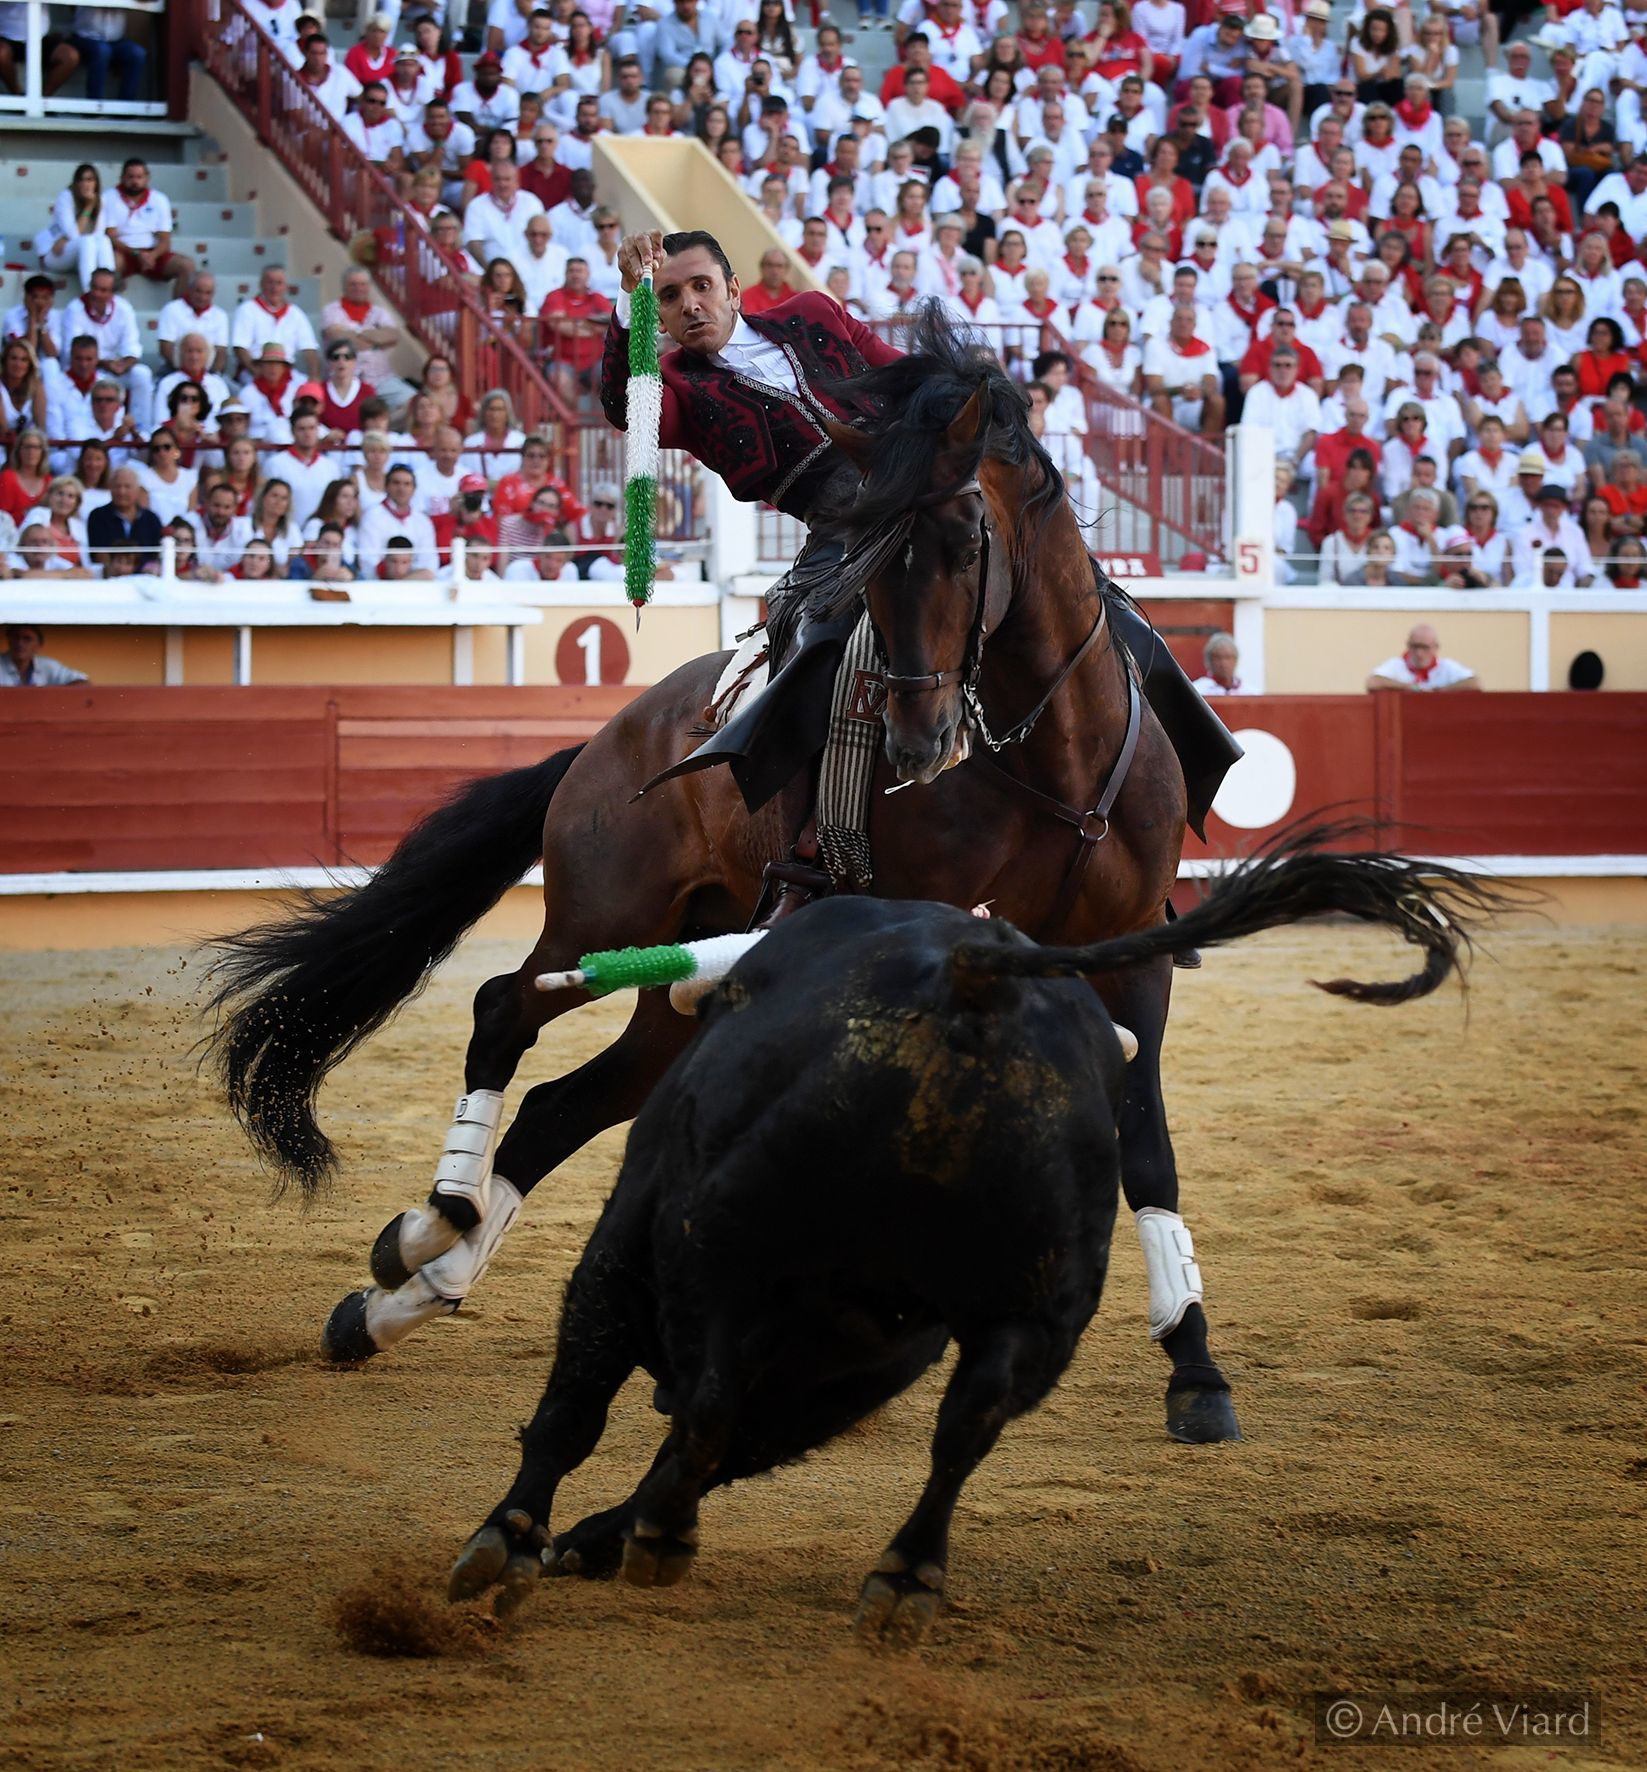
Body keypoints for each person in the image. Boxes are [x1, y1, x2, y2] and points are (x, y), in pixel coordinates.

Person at [599, 224, 1238, 866]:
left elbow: (904, 374)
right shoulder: (676, 386)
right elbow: (628, 412)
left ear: (734, 290)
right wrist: (631, 300)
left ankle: (1169, 805)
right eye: (673, 295)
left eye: (702, 287)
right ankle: (809, 839)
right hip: (841, 530)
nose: (690, 306)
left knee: (1098, 607)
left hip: (923, 492)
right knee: (816, 644)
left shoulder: (812, 313)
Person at [87, 464, 163, 574]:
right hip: (109, 579)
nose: (122, 491)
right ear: (110, 489)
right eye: (117, 486)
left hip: (145, 578)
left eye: (127, 487)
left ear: (137, 490)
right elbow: (99, 555)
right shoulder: (97, 516)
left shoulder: (151, 519)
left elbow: (155, 555)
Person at [1366, 623, 1481, 692]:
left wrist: (1441, 691)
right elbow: (1372, 682)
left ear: (1436, 647)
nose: (1419, 653)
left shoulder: (1446, 667)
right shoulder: (1397, 665)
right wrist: (1409, 687)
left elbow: (1475, 683)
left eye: (1425, 647)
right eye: (1415, 647)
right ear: (1408, 645)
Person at [0, 623, 88, 685]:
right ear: (9, 640)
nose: (20, 643)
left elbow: (82, 681)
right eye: (16, 637)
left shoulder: (47, 666)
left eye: (27, 639)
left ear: (38, 645)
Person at [1192, 631, 1249, 696]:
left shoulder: (1250, 692)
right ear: (1209, 661)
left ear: (1236, 660)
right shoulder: (1197, 690)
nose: (1223, 663)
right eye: (1218, 658)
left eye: (1228, 657)